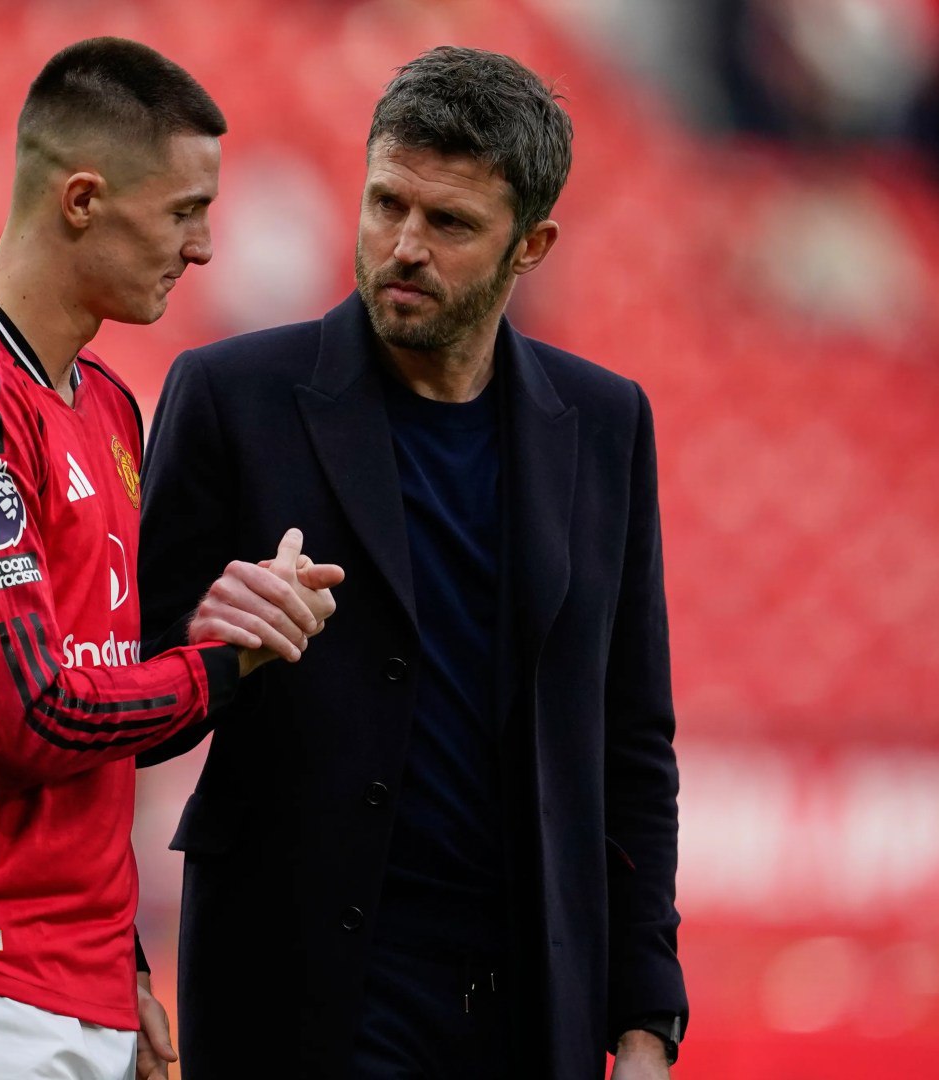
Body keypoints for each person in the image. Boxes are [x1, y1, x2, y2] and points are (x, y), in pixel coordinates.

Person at [137, 46, 688, 1079]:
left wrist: (646, 1019)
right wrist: (206, 641)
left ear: (533, 246)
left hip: (529, 1005)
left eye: (450, 224)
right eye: (386, 202)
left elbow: (631, 740)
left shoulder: (606, 426)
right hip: (295, 996)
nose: (403, 245)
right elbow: (115, 688)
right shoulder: (230, 399)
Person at [0, 37, 339, 1080]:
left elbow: (93, 704)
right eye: (185, 212)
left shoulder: (104, 402)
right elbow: (29, 721)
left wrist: (122, 967)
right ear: (85, 198)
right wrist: (224, 665)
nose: (201, 251)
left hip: (60, 968)